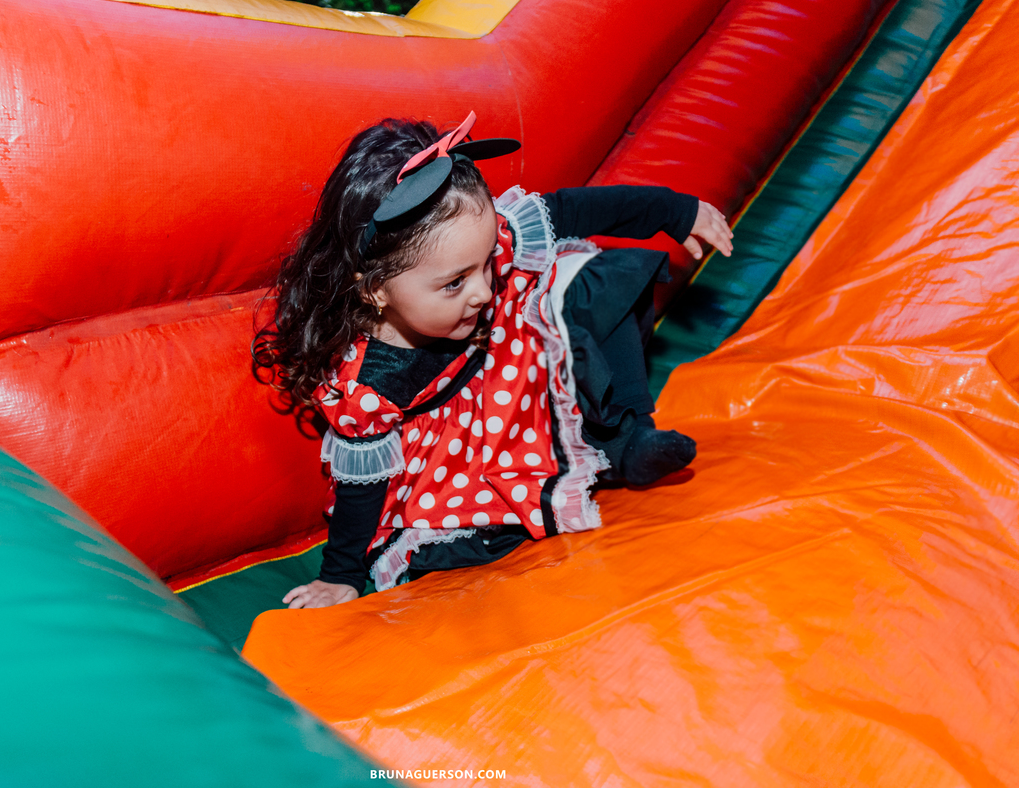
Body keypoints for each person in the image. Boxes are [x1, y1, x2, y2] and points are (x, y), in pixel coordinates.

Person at [252, 112, 733, 609]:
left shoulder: (478, 254)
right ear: (376, 291)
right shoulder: (371, 383)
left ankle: (627, 437)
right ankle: (592, 465)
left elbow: (577, 209)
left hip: (520, 378)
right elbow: (362, 488)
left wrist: (676, 212)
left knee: (591, 280)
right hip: (461, 453)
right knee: (464, 539)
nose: (485, 289)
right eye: (456, 283)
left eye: (486, 263)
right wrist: (342, 575)